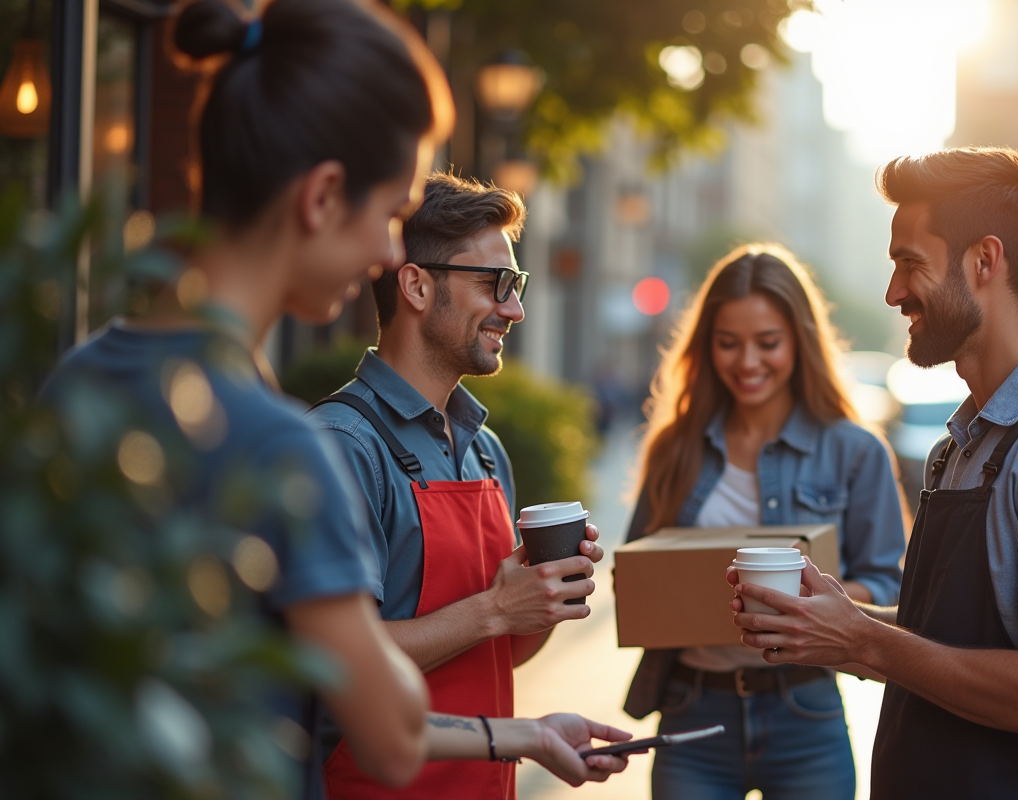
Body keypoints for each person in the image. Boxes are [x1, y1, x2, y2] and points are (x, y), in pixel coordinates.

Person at [39, 0, 631, 797]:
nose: (388, 252)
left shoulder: (79, 378)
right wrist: (508, 671)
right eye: (389, 212)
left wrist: (519, 677)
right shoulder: (288, 445)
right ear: (321, 198)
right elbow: (387, 734)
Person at [730, 148, 1018, 799]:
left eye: (910, 263)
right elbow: (946, 644)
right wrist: (832, 624)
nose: (893, 292)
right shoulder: (960, 446)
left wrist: (864, 640)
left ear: (984, 261)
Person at [307, 172, 607, 799]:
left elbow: (499, 655)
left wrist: (545, 597)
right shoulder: (342, 445)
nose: (514, 309)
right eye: (494, 283)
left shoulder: (486, 451)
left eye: (516, 286)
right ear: (416, 285)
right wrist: (495, 610)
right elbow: (336, 663)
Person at [622, 244, 908, 800]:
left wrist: (803, 607)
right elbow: (638, 577)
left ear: (800, 341)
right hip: (693, 713)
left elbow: (888, 587)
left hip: (804, 713)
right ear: (707, 346)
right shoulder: (675, 448)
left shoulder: (856, 451)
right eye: (728, 343)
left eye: (768, 343)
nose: (747, 362)